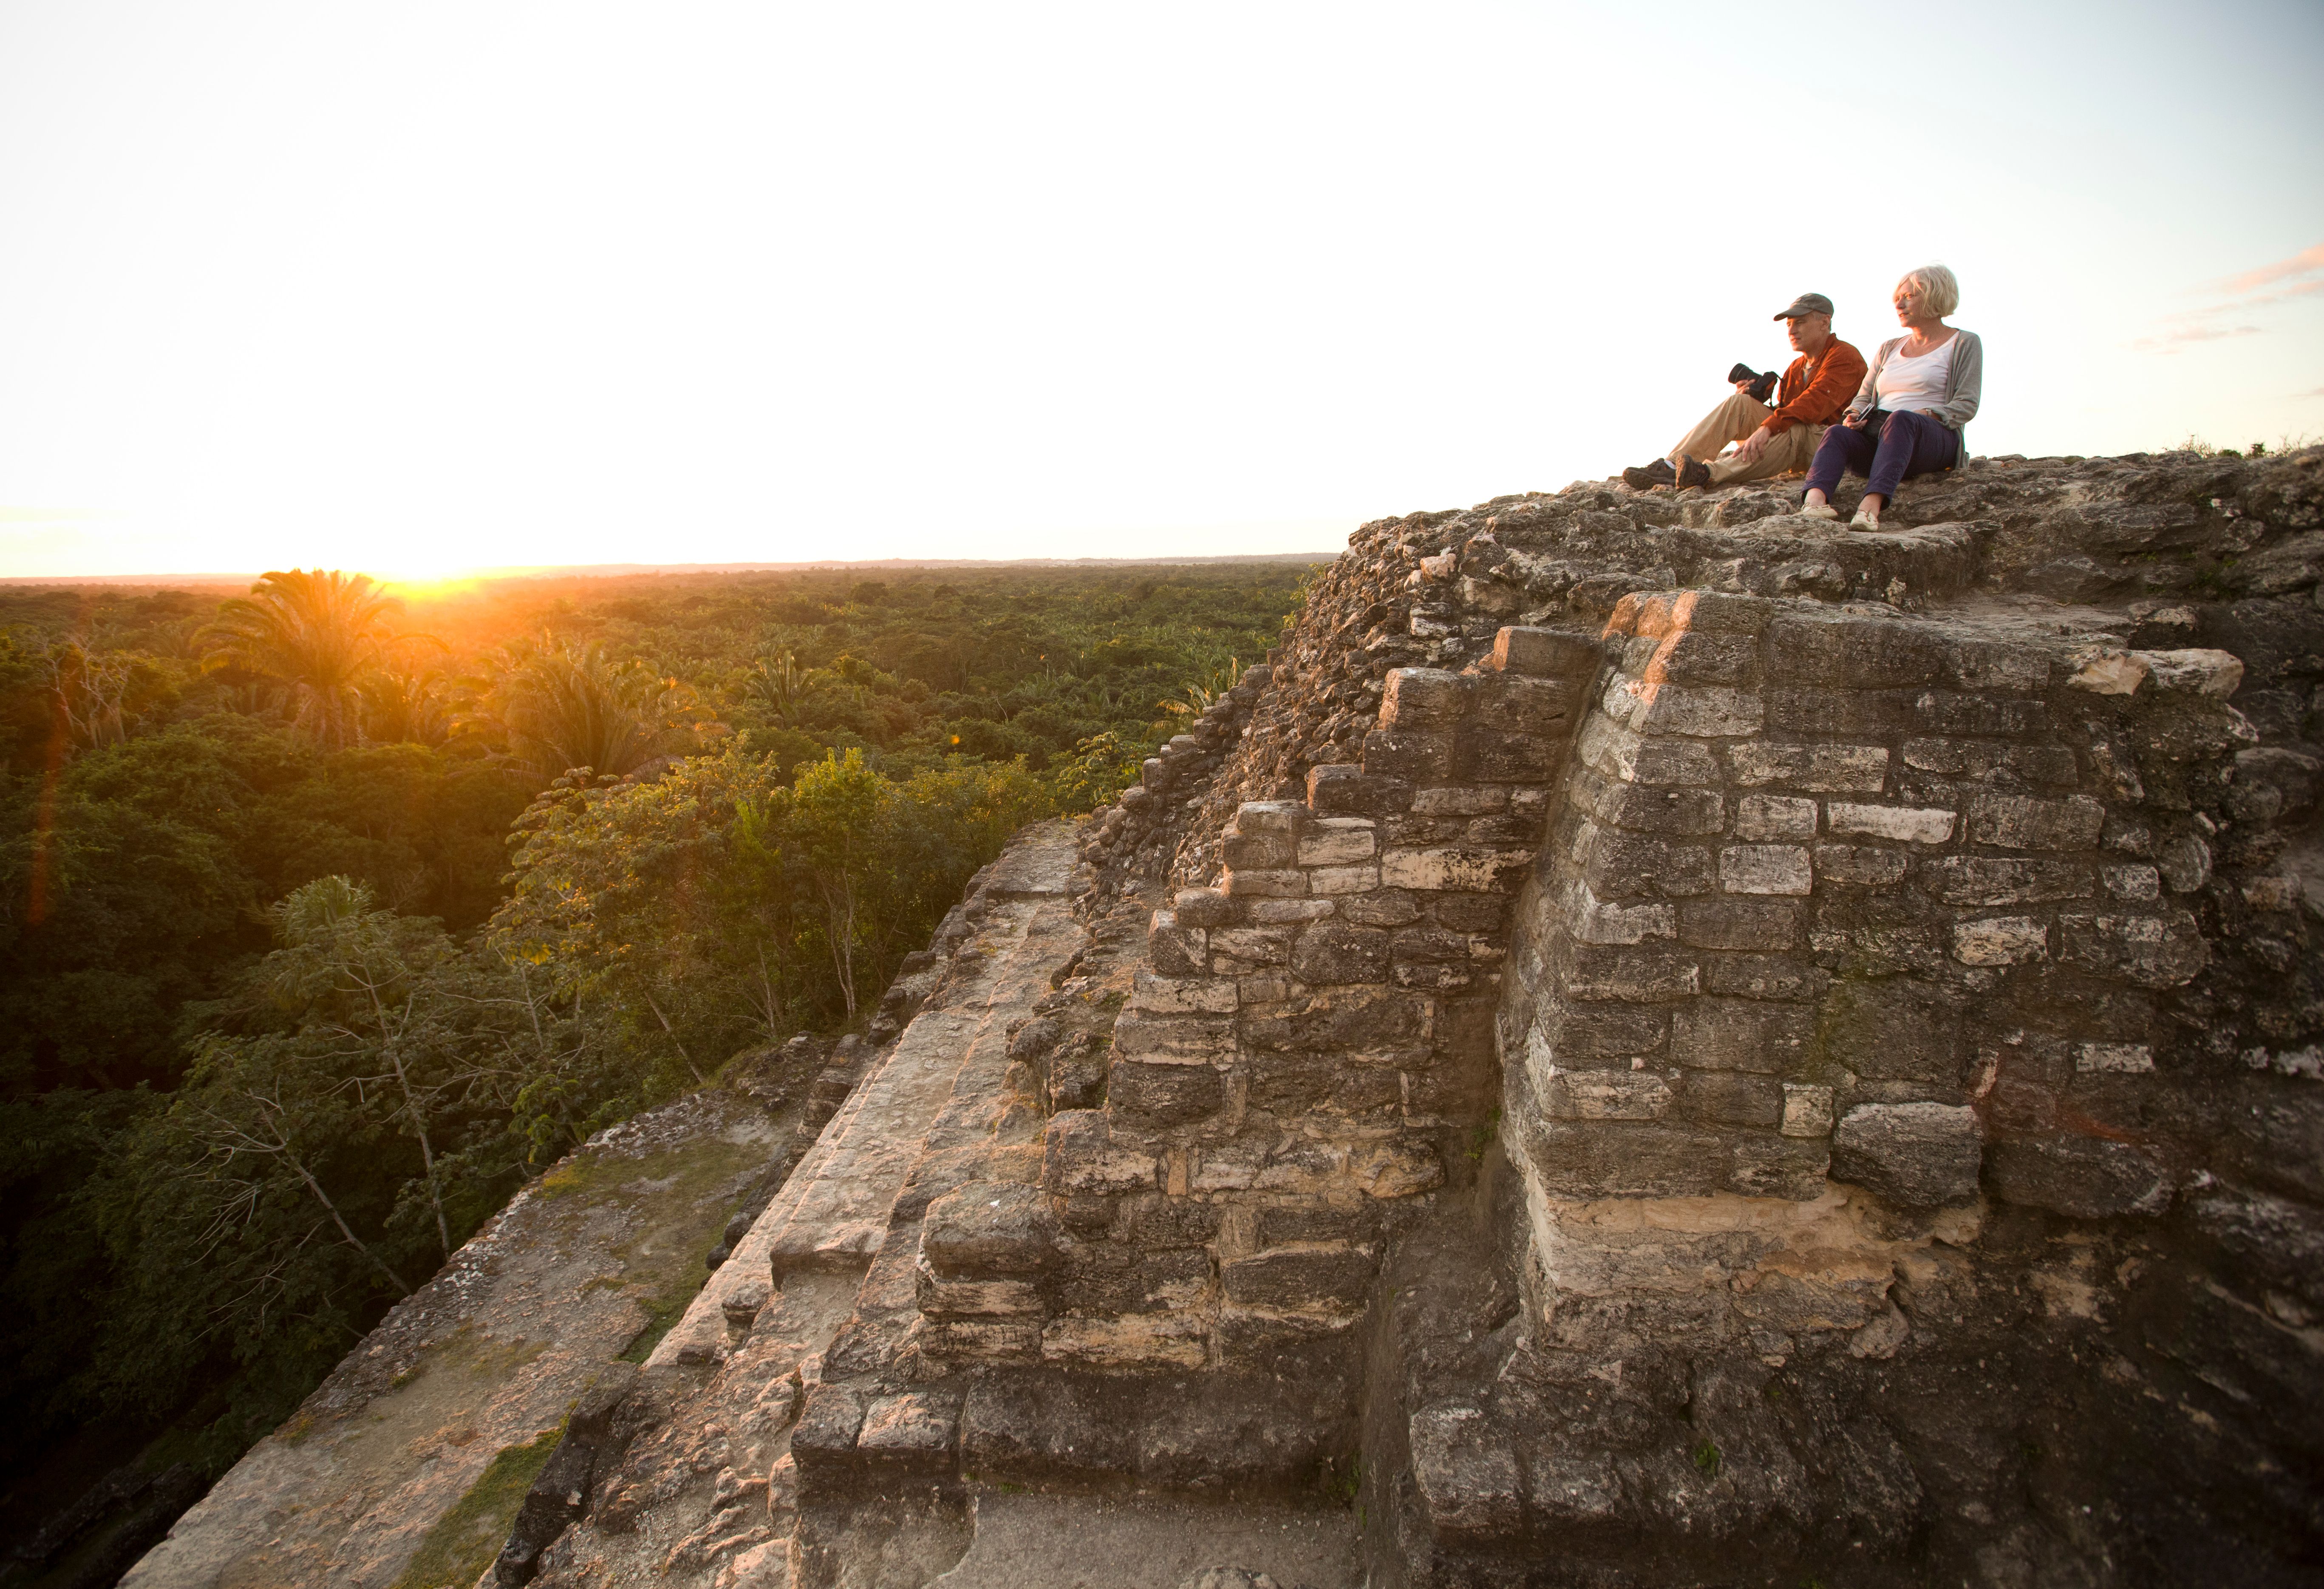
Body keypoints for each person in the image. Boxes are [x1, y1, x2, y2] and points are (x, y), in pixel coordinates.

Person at [1622, 293, 1867, 491]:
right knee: (1739, 403)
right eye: (1790, 325)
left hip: (1828, 446)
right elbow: (1784, 410)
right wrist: (1752, 399)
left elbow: (1812, 407)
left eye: (1800, 323)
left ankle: (1707, 473)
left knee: (1793, 426)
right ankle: (1670, 466)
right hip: (1797, 442)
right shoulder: (1797, 367)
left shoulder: (1844, 356)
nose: (1792, 331)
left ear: (1825, 322)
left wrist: (1767, 428)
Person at [1800, 266, 1982, 529]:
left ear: (1934, 297)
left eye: (1909, 297)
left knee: (1901, 420)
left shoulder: (1964, 342)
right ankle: (1815, 503)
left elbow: (1967, 404)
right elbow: (1863, 398)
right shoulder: (1889, 348)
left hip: (1932, 437)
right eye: (1897, 299)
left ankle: (1870, 509)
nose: (1900, 304)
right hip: (1881, 438)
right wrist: (1854, 416)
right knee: (1838, 433)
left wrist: (1928, 414)